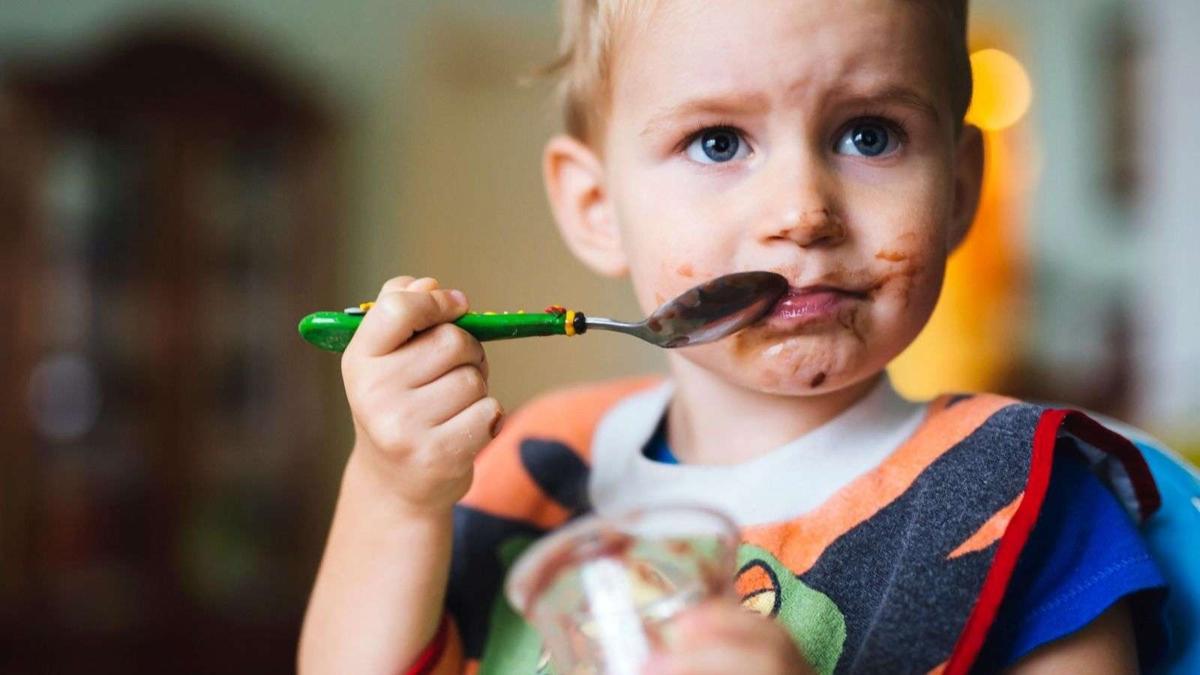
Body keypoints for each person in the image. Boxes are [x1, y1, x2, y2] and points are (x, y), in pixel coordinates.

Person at [298, 1, 1169, 673]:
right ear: (597, 208)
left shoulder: (1028, 499)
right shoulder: (534, 465)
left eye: (870, 133)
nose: (802, 212)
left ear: (959, 189)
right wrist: (394, 491)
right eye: (718, 141)